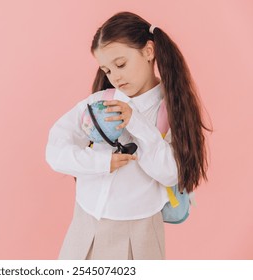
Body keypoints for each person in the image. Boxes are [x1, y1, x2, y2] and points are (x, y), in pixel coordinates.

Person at [45, 11, 211, 260]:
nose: (115, 77)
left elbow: (169, 172)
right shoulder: (99, 104)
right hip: (84, 224)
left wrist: (135, 121)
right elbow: (55, 151)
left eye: (120, 64)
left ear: (148, 51)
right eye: (107, 69)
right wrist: (102, 163)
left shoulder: (171, 109)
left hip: (139, 233)